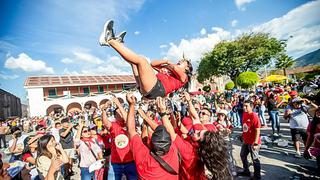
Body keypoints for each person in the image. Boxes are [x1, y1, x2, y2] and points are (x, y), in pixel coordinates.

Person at [99, 20, 193, 99]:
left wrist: (168, 64)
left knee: (142, 61)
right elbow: (153, 64)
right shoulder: (169, 71)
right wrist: (166, 62)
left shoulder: (184, 77)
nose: (181, 60)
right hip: (150, 86)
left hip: (157, 88)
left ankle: (110, 40)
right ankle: (119, 44)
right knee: (134, 64)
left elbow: (176, 68)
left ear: (187, 68)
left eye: (184, 62)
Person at [126, 94, 180, 179]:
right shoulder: (173, 152)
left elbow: (131, 130)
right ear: (169, 142)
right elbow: (167, 132)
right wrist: (162, 113)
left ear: (151, 142)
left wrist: (131, 105)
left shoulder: (143, 156)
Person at [101, 97, 138, 179]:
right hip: (116, 162)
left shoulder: (130, 125)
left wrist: (119, 105)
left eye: (121, 112)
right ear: (115, 116)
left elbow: (127, 118)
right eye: (118, 113)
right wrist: (103, 110)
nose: (120, 114)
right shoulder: (113, 125)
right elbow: (105, 123)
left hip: (130, 161)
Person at [237, 100, 261, 180]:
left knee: (255, 159)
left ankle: (257, 176)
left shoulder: (254, 116)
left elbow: (258, 130)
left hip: (253, 142)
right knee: (243, 155)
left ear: (251, 107)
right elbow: (245, 127)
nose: (244, 107)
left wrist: (256, 142)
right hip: (246, 140)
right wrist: (242, 135)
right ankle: (246, 171)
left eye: (246, 106)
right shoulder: (244, 114)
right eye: (243, 106)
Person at [304, 108, 320, 174]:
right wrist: (306, 149)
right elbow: (310, 137)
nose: (319, 113)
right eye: (318, 112)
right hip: (318, 150)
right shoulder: (312, 124)